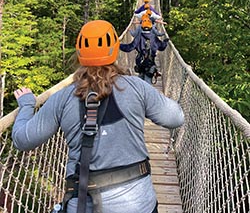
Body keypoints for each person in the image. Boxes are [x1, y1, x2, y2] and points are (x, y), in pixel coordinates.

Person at [12, 20, 184, 213]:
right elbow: (176, 118)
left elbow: (22, 140)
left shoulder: (62, 98)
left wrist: (27, 105)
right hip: (138, 205)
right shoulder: (136, 87)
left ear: (79, 53)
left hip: (84, 204)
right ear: (116, 50)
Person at [120, 15, 169, 84]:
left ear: (141, 27)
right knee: (148, 84)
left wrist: (119, 45)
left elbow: (129, 47)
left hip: (140, 64)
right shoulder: (154, 38)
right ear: (151, 27)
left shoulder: (138, 37)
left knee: (140, 83)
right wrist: (165, 41)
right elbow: (162, 47)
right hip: (150, 65)